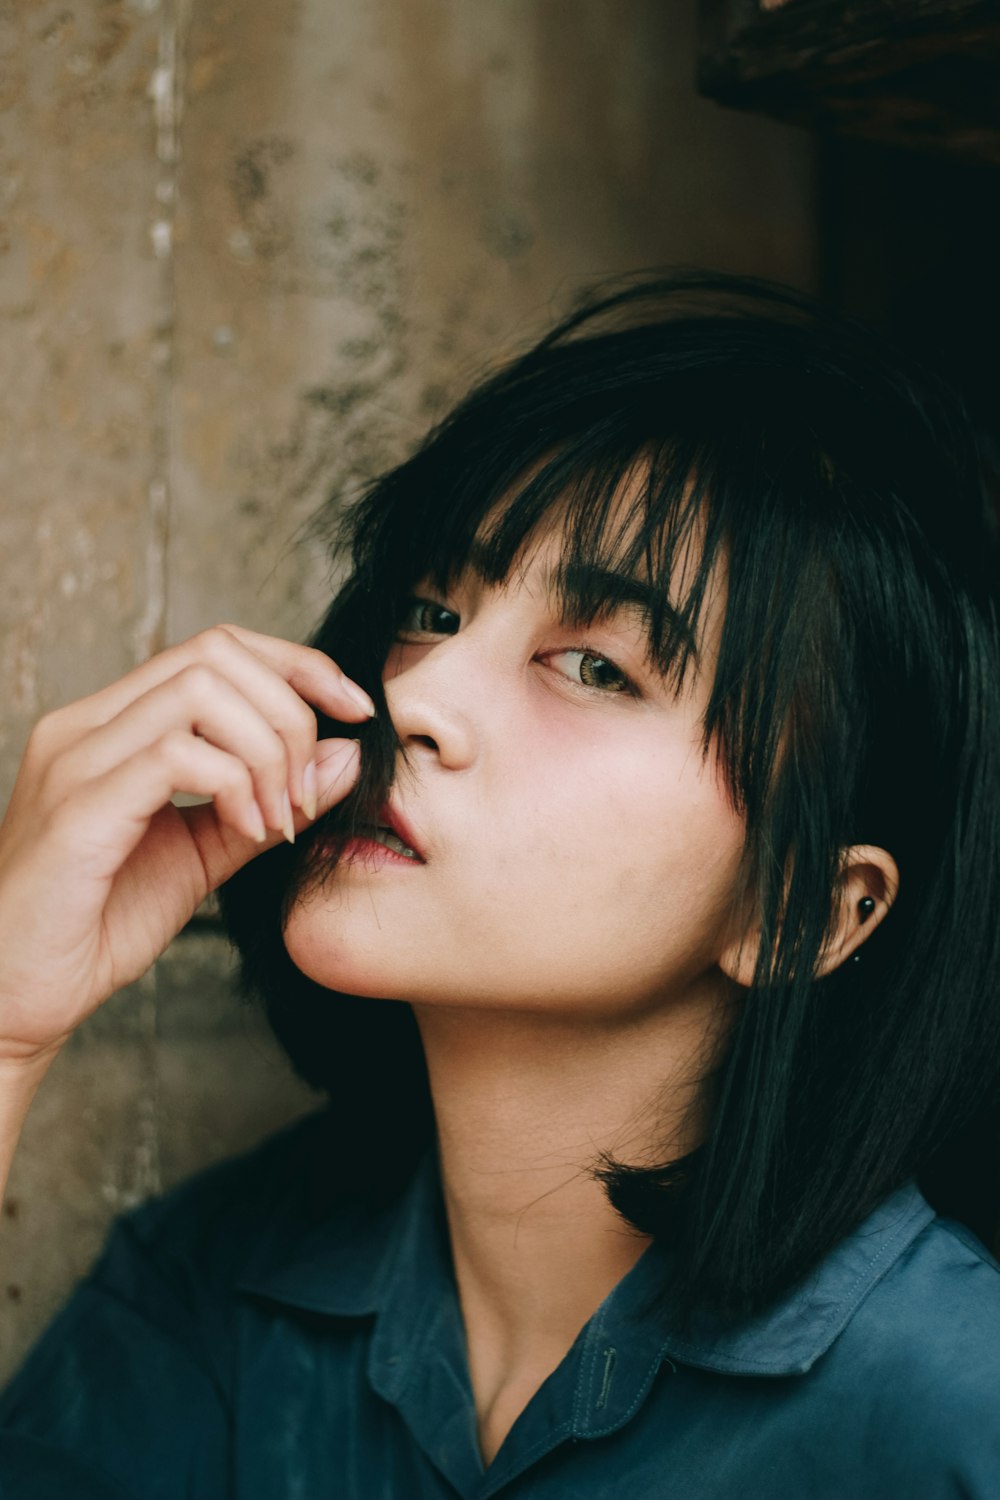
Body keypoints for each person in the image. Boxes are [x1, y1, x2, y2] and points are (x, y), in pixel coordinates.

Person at [1, 273, 999, 1500]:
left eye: (592, 666)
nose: (413, 696)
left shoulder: (948, 1418)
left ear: (799, 910)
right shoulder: (220, 1285)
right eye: (431, 609)